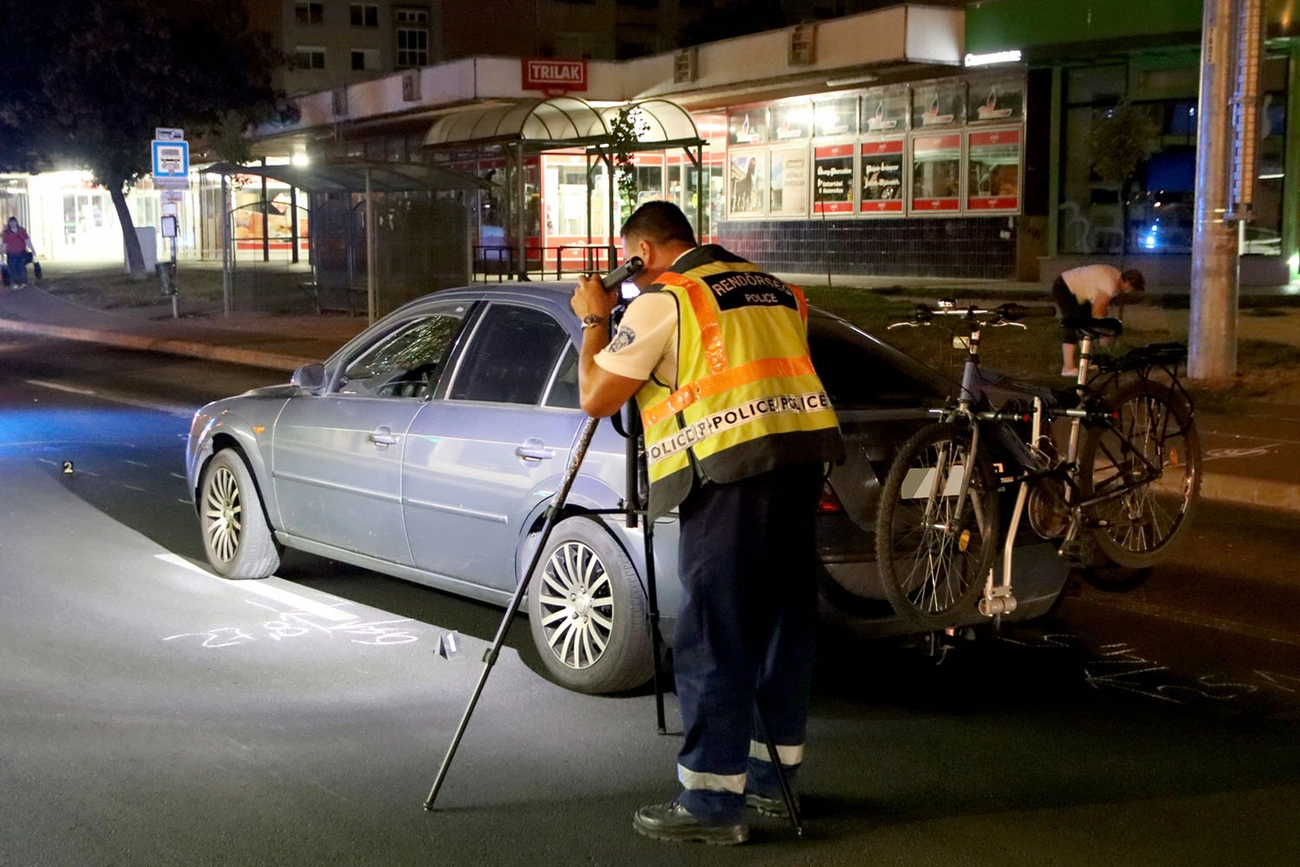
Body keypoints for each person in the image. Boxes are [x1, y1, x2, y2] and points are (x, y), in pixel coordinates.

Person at [570, 201, 844, 846]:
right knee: (781, 626)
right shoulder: (777, 290)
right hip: (801, 463)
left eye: (631, 262)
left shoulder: (666, 298)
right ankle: (773, 782)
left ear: (642, 252)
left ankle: (712, 802)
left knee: (716, 634)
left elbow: (596, 397)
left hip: (730, 474)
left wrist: (594, 320)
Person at [1052, 264, 1145, 376]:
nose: (1131, 292)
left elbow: (1099, 306)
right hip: (1064, 287)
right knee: (1073, 324)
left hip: (1077, 290)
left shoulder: (1115, 276)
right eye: (1133, 289)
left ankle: (1087, 362)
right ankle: (1068, 368)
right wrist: (1103, 334)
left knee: (1085, 325)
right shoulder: (1110, 285)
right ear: (1128, 284)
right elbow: (1097, 311)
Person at [3, 217, 35, 288]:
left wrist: (32, 249)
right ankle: (15, 283)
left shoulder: (22, 231)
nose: (12, 224)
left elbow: (27, 241)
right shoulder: (6, 233)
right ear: (9, 224)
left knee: (21, 268)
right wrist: (3, 251)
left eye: (13, 222)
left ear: (16, 222)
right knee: (12, 268)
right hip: (11, 253)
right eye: (11, 222)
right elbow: (5, 243)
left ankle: (23, 282)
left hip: (21, 252)